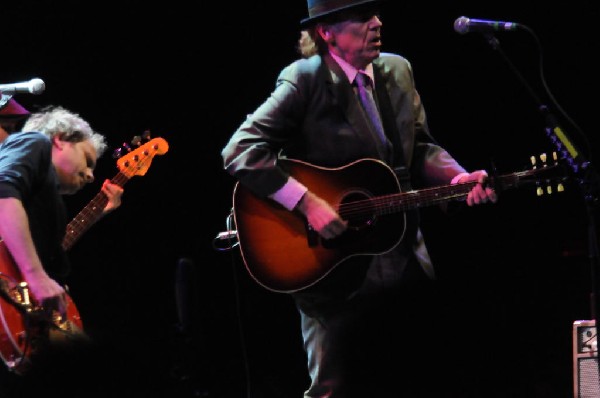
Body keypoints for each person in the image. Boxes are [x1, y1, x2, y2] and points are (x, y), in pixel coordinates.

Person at [221, 0, 498, 396]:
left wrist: (457, 176)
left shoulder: (398, 71)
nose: (377, 23)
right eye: (361, 18)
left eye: (376, 13)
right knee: (336, 389)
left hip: (402, 253)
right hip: (330, 264)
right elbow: (239, 151)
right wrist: (307, 202)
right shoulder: (305, 79)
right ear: (326, 32)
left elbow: (418, 147)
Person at [0, 104, 124, 396]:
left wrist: (97, 214)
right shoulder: (35, 142)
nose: (91, 175)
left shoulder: (41, 196)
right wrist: (37, 277)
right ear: (60, 139)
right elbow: (3, 193)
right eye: (88, 160)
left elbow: (37, 247)